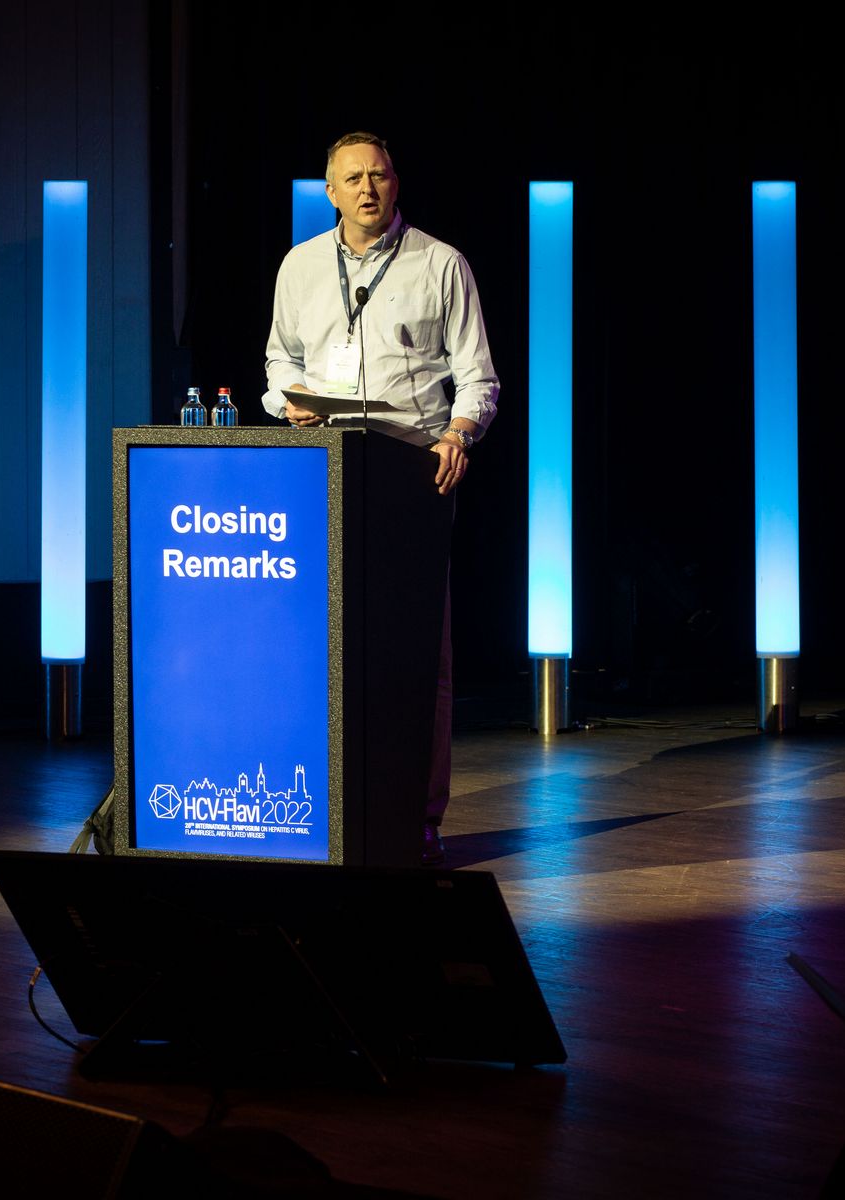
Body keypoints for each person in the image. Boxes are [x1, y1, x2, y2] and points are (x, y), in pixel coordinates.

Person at [261, 131, 500, 866]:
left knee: (419, 657)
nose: (369, 188)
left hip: (411, 471)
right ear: (330, 191)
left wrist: (459, 433)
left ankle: (417, 816)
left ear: (396, 183)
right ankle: (322, 804)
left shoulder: (440, 263)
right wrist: (287, 401)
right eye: (354, 178)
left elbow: (479, 377)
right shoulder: (301, 265)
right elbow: (279, 359)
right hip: (324, 469)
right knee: (321, 645)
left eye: (381, 175)